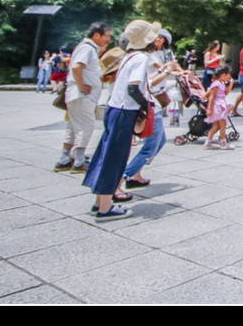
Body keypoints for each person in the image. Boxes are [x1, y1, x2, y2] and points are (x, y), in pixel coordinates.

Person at [83, 20, 172, 221]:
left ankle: (99, 202)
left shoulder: (127, 56)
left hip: (113, 108)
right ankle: (106, 208)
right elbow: (134, 89)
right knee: (115, 158)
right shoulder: (140, 58)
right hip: (125, 111)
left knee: (105, 155)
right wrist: (144, 106)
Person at [122, 28, 182, 189]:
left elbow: (168, 68)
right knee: (151, 145)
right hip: (149, 101)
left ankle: (135, 174)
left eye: (161, 38)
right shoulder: (144, 57)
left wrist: (175, 70)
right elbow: (147, 82)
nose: (157, 40)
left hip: (152, 100)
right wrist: (167, 70)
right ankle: (121, 179)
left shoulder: (159, 53)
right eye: (154, 37)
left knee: (159, 140)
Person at [54, 23, 111, 173]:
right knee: (86, 126)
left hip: (78, 95)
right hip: (82, 95)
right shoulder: (87, 48)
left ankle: (64, 159)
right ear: (97, 35)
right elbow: (76, 67)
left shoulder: (86, 47)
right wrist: (81, 85)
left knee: (73, 127)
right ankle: (79, 161)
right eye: (106, 36)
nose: (108, 39)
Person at [203, 65, 234, 150]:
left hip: (220, 104)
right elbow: (212, 96)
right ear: (223, 75)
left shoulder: (221, 83)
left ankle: (208, 142)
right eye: (228, 75)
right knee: (222, 124)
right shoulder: (216, 84)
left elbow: (225, 93)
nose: (228, 77)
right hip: (218, 105)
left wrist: (230, 84)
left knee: (216, 125)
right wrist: (209, 109)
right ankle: (223, 142)